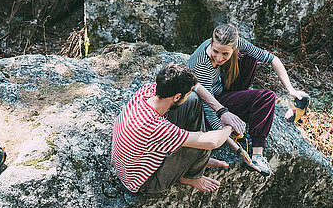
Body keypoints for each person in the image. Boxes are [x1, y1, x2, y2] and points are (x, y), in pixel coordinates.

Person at [188, 24, 307, 176]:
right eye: (215, 51)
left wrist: (291, 89)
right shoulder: (201, 64)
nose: (219, 58)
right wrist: (234, 144)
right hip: (212, 104)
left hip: (224, 90)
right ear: (211, 43)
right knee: (267, 97)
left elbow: (272, 59)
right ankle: (257, 155)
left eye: (225, 54)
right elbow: (209, 108)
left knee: (250, 57)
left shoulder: (238, 44)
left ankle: (257, 152)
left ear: (234, 47)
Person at [111, 63, 235, 194]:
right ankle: (189, 176)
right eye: (184, 94)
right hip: (145, 182)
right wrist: (229, 127)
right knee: (201, 145)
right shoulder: (157, 128)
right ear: (177, 96)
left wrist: (222, 111)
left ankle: (192, 163)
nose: (187, 95)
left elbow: (196, 88)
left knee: (192, 99)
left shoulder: (146, 91)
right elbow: (212, 142)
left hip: (129, 164)